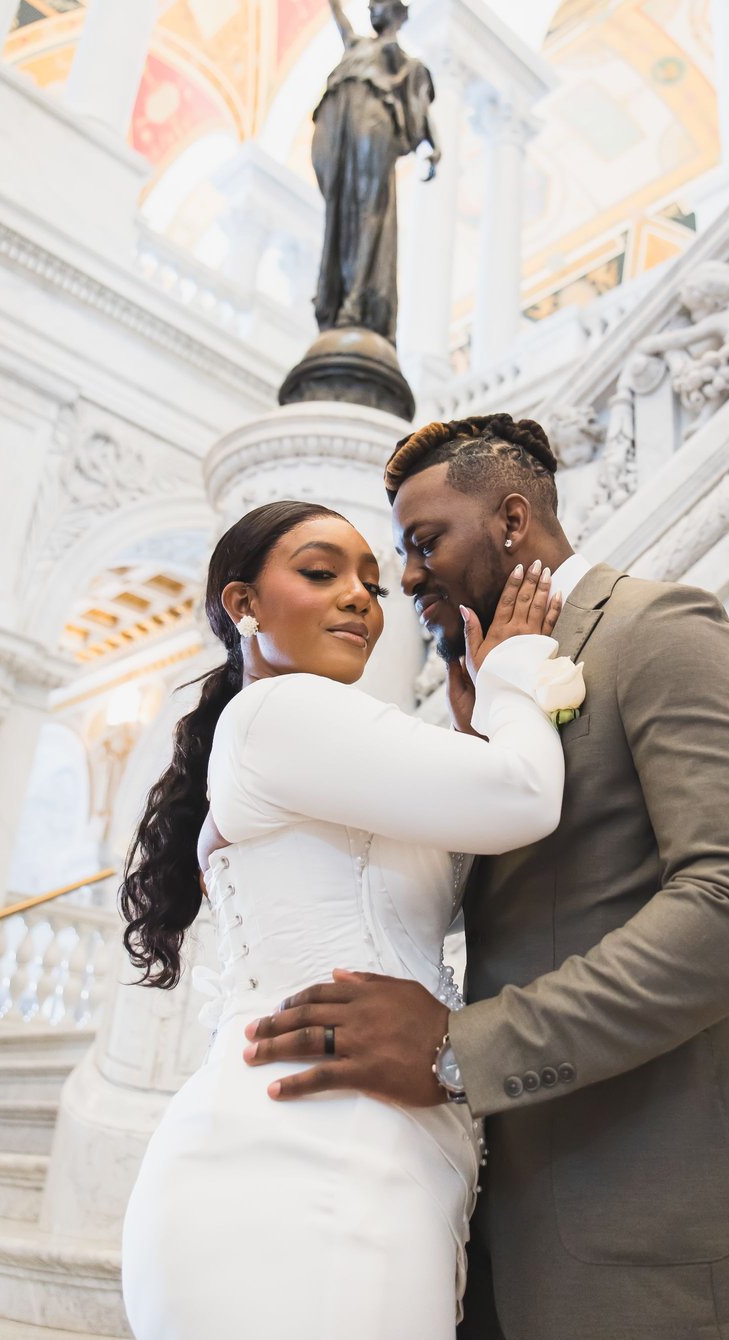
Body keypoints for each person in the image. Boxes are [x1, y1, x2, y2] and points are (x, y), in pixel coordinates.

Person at [246, 415, 729, 1340]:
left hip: (669, 1219)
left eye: (425, 542)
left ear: (513, 520)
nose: (408, 577)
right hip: (516, 1219)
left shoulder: (658, 631)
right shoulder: (492, 692)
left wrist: (458, 1050)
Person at [119, 499, 569, 1340]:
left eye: (372, 583)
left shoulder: (317, 742)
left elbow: (454, 860)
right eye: (322, 573)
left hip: (369, 1148)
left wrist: (474, 731)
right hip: (297, 1156)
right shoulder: (280, 713)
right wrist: (513, 672)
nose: (361, 596)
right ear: (244, 604)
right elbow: (525, 796)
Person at [311, 0, 438, 341]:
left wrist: (432, 144)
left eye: (378, 2)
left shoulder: (402, 59)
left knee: (369, 208)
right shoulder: (356, 44)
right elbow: (334, 6)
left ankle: (357, 300)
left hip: (375, 122)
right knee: (341, 210)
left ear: (395, 13)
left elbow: (420, 105)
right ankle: (337, 295)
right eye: (369, 3)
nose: (370, 8)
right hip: (341, 121)